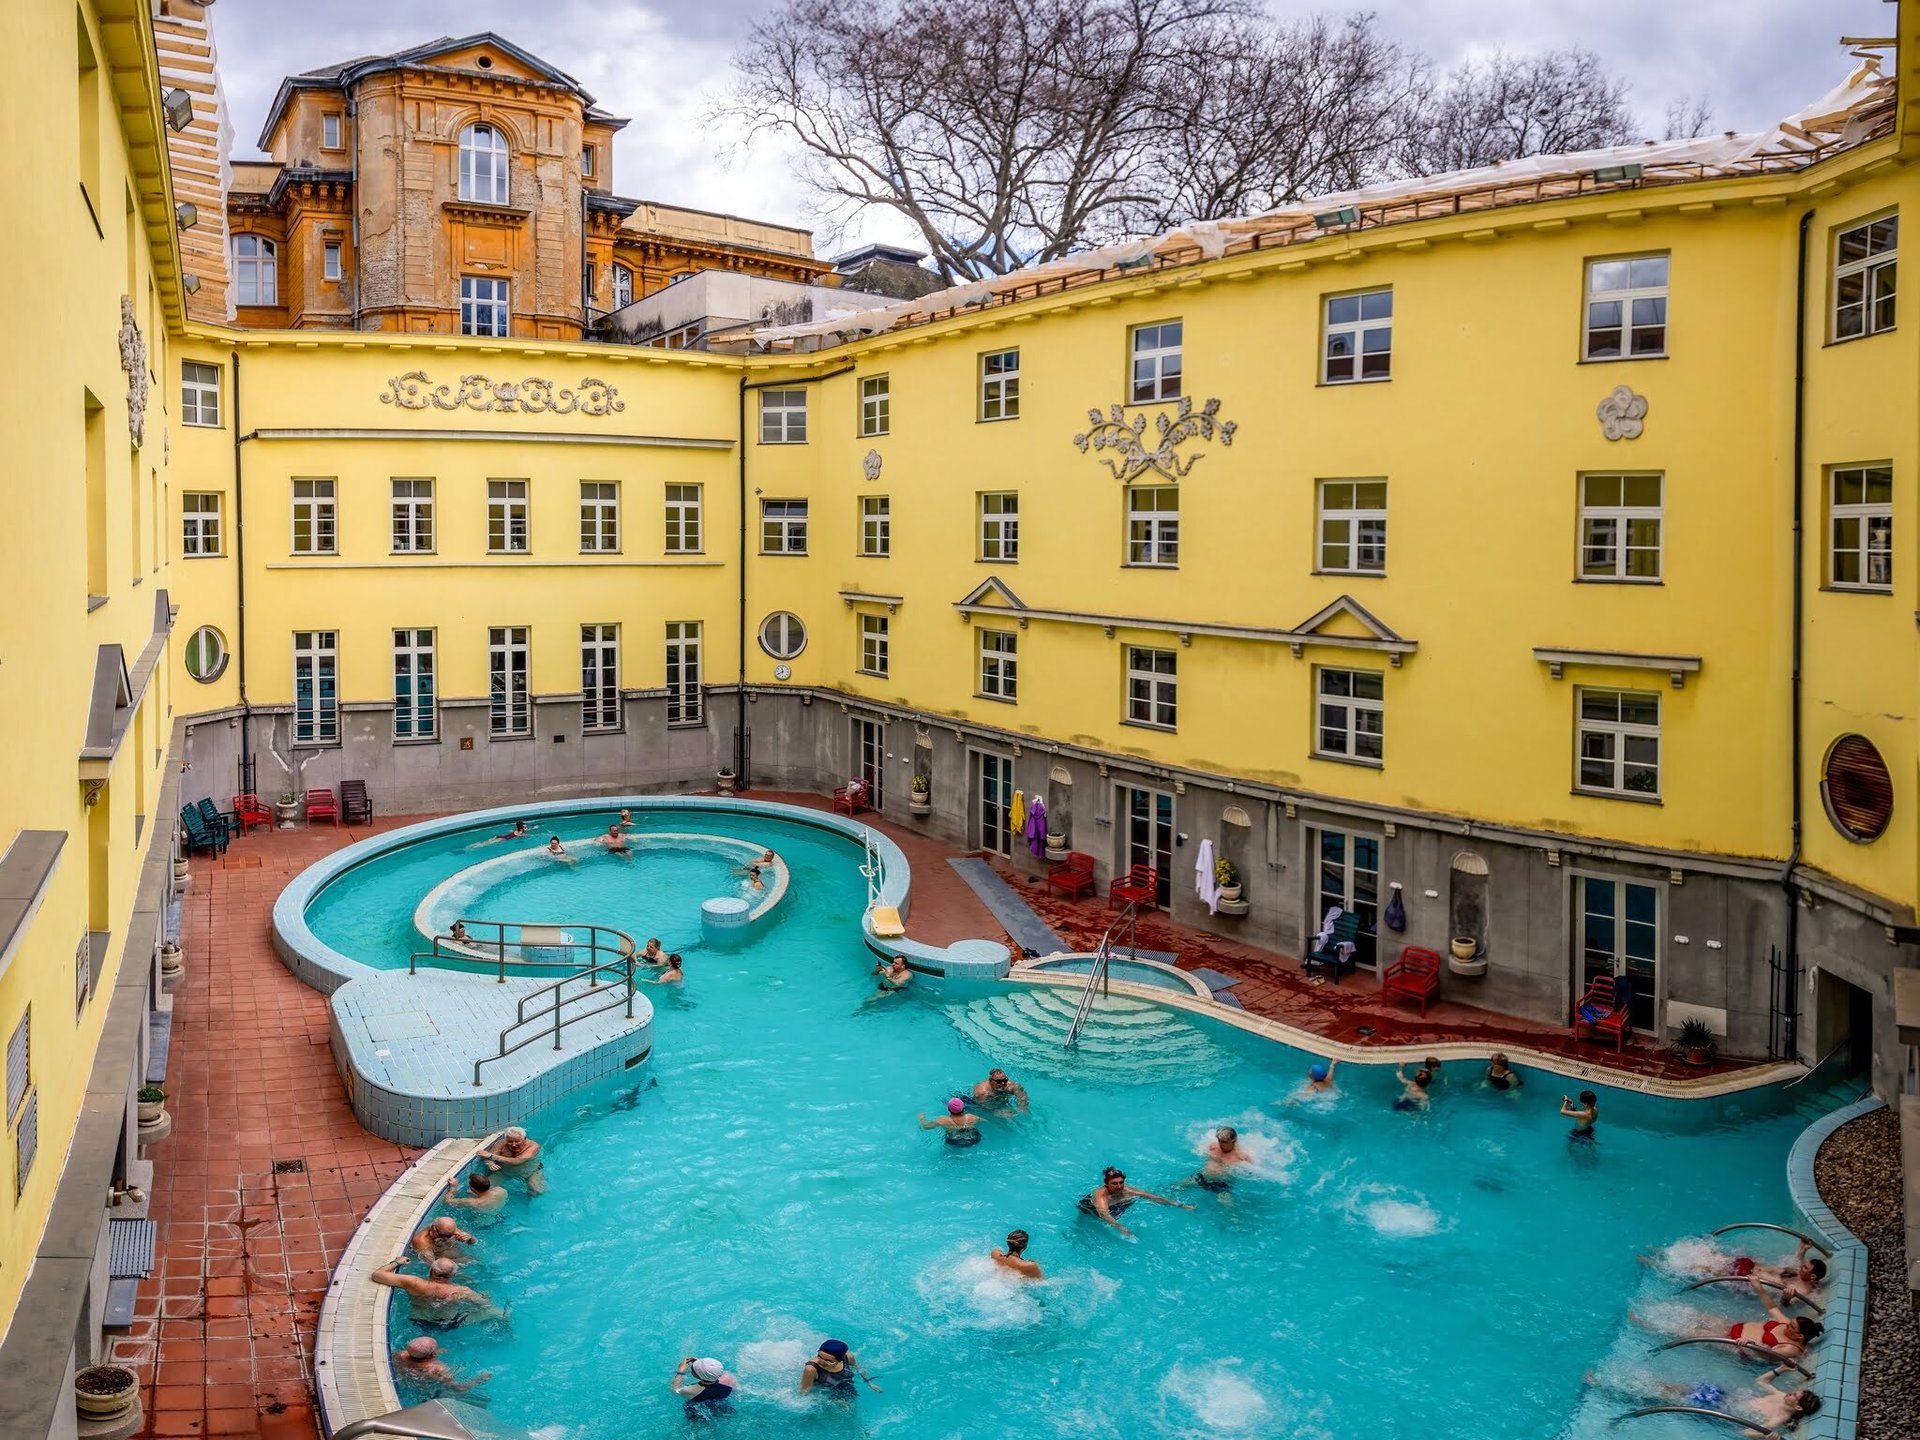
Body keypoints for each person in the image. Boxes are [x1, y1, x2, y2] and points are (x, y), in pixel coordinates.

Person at [1634, 1278, 1824, 1359]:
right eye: (1790, 1323)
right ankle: (1651, 1305)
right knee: (1698, 1316)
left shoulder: (1792, 1348)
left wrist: (1750, 1345)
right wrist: (1759, 1288)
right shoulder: (1789, 1326)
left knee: (1691, 1333)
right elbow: (1773, 1308)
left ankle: (1644, 1323)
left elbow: (1769, 1355)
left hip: (1735, 1345)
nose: (1787, 1325)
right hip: (1734, 1327)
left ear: (1799, 1336)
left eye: (1791, 1327)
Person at [369, 1258, 496, 1323]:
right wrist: (485, 1296)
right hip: (447, 1323)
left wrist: (397, 1262)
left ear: (431, 1270)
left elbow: (377, 1275)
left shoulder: (414, 1283)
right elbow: (484, 1304)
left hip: (419, 1320)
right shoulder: (462, 1291)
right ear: (453, 1275)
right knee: (497, 1312)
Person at [1077, 1166, 1193, 1238]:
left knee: (1132, 1199)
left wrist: (1179, 1205)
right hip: (1091, 1207)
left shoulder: (1128, 1190)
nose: (1119, 1186)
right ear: (1106, 1184)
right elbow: (1104, 1214)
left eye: (1121, 1182)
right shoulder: (1100, 1194)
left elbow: (1154, 1197)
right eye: (1114, 1183)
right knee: (1087, 1222)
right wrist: (1123, 1229)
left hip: (1114, 1205)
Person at [391, 1336, 489, 1393]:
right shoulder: (437, 1369)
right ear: (432, 1354)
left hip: (407, 1386)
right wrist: (479, 1379)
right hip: (430, 1393)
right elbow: (459, 1388)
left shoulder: (399, 1355)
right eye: (436, 1349)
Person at [800, 1338, 881, 1396]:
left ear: (840, 1360)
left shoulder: (848, 1357)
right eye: (819, 1356)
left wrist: (870, 1382)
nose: (821, 1361)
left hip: (846, 1385)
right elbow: (804, 1391)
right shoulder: (811, 1368)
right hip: (825, 1391)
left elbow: (859, 1369)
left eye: (829, 1361)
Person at [479, 1125, 546, 1195]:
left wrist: (492, 1156)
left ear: (524, 1139)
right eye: (510, 1141)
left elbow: (517, 1161)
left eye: (517, 1141)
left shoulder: (533, 1146)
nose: (513, 1145)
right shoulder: (502, 1144)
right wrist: (490, 1164)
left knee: (536, 1190)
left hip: (530, 1171)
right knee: (483, 1189)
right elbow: (487, 1157)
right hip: (504, 1172)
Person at [1189, 1126, 1254, 1192]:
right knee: (1182, 1185)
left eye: (1224, 1142)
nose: (1220, 1144)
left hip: (1222, 1185)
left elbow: (1251, 1172)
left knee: (1225, 1199)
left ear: (1233, 1140)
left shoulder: (1241, 1157)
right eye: (1219, 1140)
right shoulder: (1213, 1147)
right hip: (1202, 1177)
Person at [672, 1356, 738, 1412]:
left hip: (699, 1411)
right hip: (722, 1406)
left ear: (696, 1376)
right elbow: (715, 1372)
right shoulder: (728, 1378)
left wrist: (680, 1371)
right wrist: (700, 1363)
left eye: (692, 1370)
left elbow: (675, 1388)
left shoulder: (692, 1391)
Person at [409, 1216, 475, 1263]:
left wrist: (470, 1238)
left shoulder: (449, 1229)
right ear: (434, 1230)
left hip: (458, 1256)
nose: (452, 1236)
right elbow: (432, 1265)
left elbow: (473, 1243)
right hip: (444, 1260)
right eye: (447, 1236)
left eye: (453, 1234)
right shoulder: (422, 1241)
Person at [443, 1171, 507, 1213]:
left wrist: (453, 1187)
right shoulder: (500, 1190)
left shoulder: (473, 1202)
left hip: (483, 1224)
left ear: (472, 1188)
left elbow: (447, 1201)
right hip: (498, 1213)